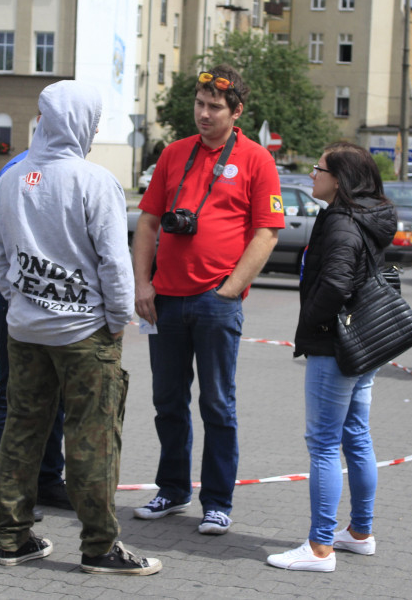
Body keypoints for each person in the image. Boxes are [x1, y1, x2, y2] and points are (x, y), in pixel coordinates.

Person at [0, 80, 161, 575]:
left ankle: (13, 538)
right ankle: (99, 548)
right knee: (93, 438)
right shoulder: (94, 181)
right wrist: (115, 321)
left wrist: (19, 300)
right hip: (84, 333)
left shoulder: (10, 178)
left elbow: (0, 254)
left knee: (22, 431)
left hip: (25, 330)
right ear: (80, 123)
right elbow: (114, 263)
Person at [132, 65, 284, 535]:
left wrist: (231, 289)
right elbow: (148, 224)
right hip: (167, 301)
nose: (203, 113)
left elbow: (267, 231)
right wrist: (143, 284)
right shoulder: (175, 154)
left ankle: (217, 501)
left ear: (236, 111)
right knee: (167, 402)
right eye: (199, 105)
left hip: (216, 301)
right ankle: (173, 490)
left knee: (218, 404)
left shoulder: (257, 159)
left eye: (214, 107)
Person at [266, 142, 395, 572]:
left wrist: (310, 326)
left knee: (323, 443)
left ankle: (320, 546)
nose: (311, 176)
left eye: (318, 169)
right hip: (363, 343)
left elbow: (337, 283)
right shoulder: (365, 216)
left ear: (338, 180)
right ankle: (360, 533)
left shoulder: (341, 222)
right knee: (355, 434)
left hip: (336, 345)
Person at [0, 147, 70, 522]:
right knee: (12, 390)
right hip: (21, 295)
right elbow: (1, 241)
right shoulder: (19, 168)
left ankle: (49, 479)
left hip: (56, 298)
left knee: (56, 390)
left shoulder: (71, 167)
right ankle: (2, 489)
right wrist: (10, 293)